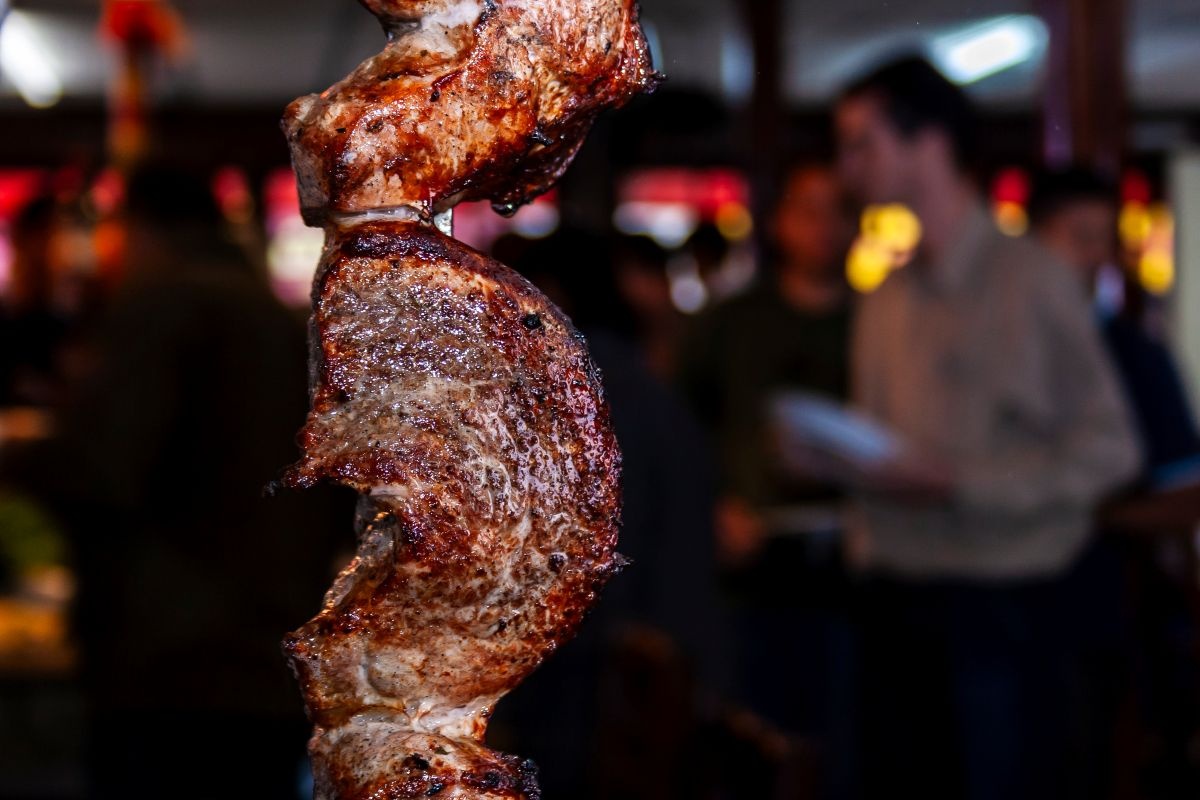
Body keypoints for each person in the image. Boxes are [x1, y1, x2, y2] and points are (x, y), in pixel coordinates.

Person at [832, 58, 1141, 799]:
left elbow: (1112, 448)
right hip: (892, 604)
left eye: (863, 142)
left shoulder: (1032, 279)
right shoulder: (885, 295)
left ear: (928, 143)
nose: (848, 166)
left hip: (1006, 614)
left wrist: (963, 483)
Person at [15, 166, 346, 798]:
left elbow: (100, 465)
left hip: (172, 653)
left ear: (138, 226)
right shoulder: (278, 318)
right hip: (272, 646)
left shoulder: (166, 305)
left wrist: (21, 458)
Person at [676, 160, 858, 798]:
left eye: (840, 211)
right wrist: (714, 505)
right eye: (808, 211)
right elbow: (682, 429)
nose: (824, 227)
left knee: (846, 741)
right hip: (749, 564)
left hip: (855, 568)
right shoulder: (733, 322)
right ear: (779, 222)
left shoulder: (880, 322)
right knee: (752, 741)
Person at [1031, 166, 1200, 795]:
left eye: (1106, 239)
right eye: (1079, 236)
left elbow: (1186, 494)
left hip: (1099, 619)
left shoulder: (1136, 355)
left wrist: (1090, 515)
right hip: (986, 610)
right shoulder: (992, 348)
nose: (1095, 256)